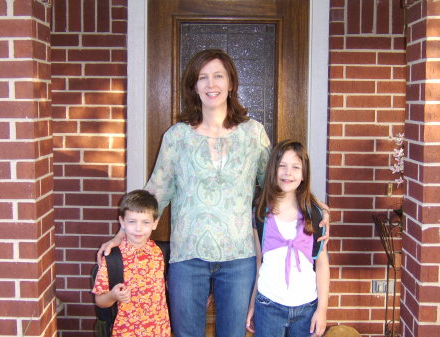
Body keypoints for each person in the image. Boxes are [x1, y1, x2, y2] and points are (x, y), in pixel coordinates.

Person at [98, 49, 330, 337]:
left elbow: (276, 183)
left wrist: (315, 208)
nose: (211, 85)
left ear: (231, 83)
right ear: (194, 87)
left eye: (218, 76)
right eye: (203, 78)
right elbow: (155, 194)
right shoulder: (176, 137)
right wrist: (121, 235)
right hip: (187, 256)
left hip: (239, 256)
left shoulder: (252, 134)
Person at [246, 140, 330, 337]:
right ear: (273, 170)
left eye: (295, 167)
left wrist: (322, 310)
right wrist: (252, 305)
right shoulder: (260, 213)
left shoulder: (315, 214)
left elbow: (322, 264)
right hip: (268, 306)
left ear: (304, 174)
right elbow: (259, 261)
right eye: (282, 166)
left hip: (307, 308)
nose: (288, 173)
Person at [92, 189, 171, 336]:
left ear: (155, 223)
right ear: (122, 222)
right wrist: (113, 296)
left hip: (159, 331)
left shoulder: (162, 253)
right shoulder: (113, 258)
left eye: (145, 222)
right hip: (124, 332)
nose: (138, 228)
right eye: (132, 221)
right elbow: (100, 300)